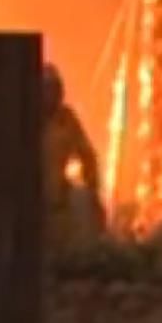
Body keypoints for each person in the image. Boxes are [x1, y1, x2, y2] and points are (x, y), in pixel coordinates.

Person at [42, 63, 107, 252]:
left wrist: (93, 190)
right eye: (46, 89)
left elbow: (87, 156)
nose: (52, 95)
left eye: (55, 89)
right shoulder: (22, 118)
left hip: (58, 204)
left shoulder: (66, 120)